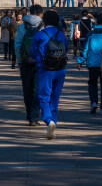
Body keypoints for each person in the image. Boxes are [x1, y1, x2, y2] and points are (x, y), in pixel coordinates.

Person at [31, 10, 69, 139]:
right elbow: (67, 49)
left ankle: (49, 120)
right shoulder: (61, 34)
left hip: (45, 69)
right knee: (55, 98)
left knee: (44, 96)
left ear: (44, 21)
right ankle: (54, 122)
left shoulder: (39, 34)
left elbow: (32, 53)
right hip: (61, 69)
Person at [14, 5, 44, 125]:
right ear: (39, 13)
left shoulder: (22, 26)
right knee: (37, 90)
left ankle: (28, 113)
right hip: (39, 63)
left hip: (25, 62)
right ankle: (34, 117)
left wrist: (19, 61)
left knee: (27, 89)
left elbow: (17, 44)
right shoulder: (43, 26)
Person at [77, 12, 102, 115]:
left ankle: (94, 102)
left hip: (92, 63)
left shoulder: (90, 34)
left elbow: (85, 49)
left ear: (96, 21)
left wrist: (80, 61)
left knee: (92, 84)